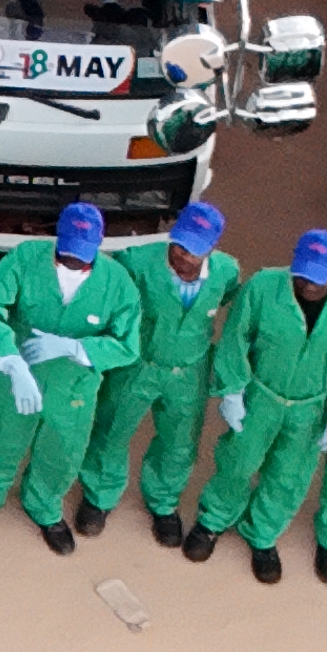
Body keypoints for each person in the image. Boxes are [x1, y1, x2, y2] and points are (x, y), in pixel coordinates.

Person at [0, 201, 143, 553]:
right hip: (18, 377)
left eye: (82, 255)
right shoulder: (26, 258)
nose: (73, 262)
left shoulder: (118, 283)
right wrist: (7, 361)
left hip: (73, 387)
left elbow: (128, 345)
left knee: (61, 452)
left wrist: (76, 348)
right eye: (66, 254)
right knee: (0, 441)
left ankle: (44, 506)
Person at [190, 225, 327, 583]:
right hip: (261, 396)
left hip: (309, 408)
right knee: (238, 461)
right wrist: (233, 390)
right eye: (302, 276)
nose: (308, 286)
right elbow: (237, 336)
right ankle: (214, 519)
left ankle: (263, 534)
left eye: (318, 279)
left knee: (290, 475)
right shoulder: (263, 286)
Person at [100, 202, 238, 550]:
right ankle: (99, 495)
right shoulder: (136, 261)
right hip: (138, 364)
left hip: (189, 372)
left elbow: (229, 303)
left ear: (211, 249)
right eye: (178, 245)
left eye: (193, 251)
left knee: (178, 442)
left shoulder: (226, 273)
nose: (181, 256)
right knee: (112, 429)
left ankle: (163, 503)